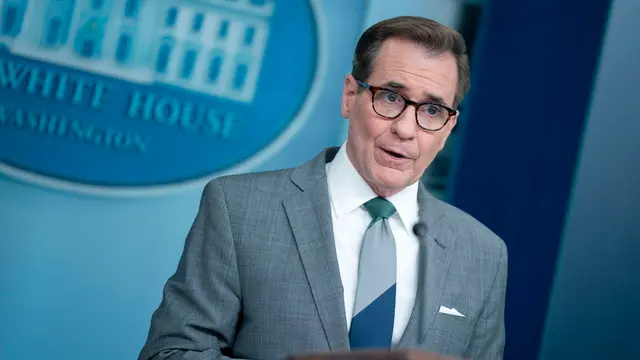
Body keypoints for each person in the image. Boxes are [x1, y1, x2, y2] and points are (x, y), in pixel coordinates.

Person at [138, 16, 507, 360]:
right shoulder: (238, 207)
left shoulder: (483, 256)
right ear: (350, 96)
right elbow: (170, 353)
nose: (406, 129)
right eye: (391, 98)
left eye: (431, 110)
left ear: (447, 128)